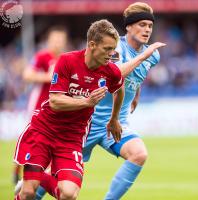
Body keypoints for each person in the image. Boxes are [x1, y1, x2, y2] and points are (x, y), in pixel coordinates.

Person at [14, 19, 165, 200]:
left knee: (69, 194)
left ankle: (40, 177)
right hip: (44, 131)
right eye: (107, 49)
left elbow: (120, 87)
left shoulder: (110, 71)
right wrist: (87, 102)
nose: (111, 54)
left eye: (113, 49)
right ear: (92, 45)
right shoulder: (66, 60)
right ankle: (34, 180)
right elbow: (55, 101)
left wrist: (114, 119)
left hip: (73, 137)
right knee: (28, 193)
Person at [84, 2, 162, 199]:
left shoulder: (152, 56)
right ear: (128, 26)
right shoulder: (115, 45)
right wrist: (144, 55)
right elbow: (116, 74)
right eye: (141, 25)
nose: (147, 30)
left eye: (150, 26)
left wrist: (136, 94)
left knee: (139, 154)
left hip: (116, 123)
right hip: (87, 121)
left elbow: (137, 76)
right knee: (52, 179)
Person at [13, 26, 68, 187]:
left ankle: (40, 175)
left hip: (58, 108)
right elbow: (27, 75)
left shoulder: (66, 58)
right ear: (49, 41)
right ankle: (18, 171)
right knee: (31, 139)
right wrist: (48, 77)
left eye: (60, 40)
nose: (57, 43)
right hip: (38, 104)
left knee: (53, 142)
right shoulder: (42, 56)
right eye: (54, 40)